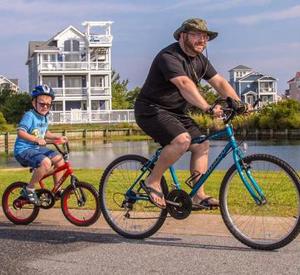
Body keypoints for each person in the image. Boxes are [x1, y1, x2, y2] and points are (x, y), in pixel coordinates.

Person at [134, 18, 247, 209]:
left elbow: (219, 83)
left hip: (176, 112)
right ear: (182, 36)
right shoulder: (169, 57)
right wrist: (207, 108)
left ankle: (198, 195)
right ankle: (152, 181)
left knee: (202, 144)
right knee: (182, 140)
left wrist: (239, 103)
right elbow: (185, 84)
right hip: (151, 109)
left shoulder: (201, 60)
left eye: (205, 37)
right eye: (196, 35)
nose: (202, 40)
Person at [14, 84, 68, 205]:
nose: (45, 106)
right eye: (42, 103)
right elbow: (20, 132)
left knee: (59, 159)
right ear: (34, 103)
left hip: (36, 149)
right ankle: (29, 189)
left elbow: (45, 132)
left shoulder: (44, 118)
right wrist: (36, 139)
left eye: (48, 104)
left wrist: (57, 137)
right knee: (46, 162)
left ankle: (57, 189)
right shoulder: (30, 116)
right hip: (23, 150)